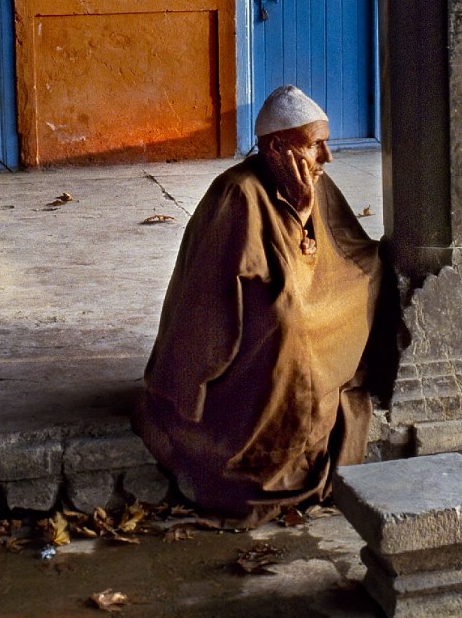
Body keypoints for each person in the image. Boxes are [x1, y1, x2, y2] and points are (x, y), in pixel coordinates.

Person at [135, 85, 382, 525]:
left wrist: (305, 215)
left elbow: (342, 251)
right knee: (287, 322)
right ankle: (272, 445)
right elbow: (217, 295)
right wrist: (298, 219)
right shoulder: (237, 194)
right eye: (314, 145)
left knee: (372, 278)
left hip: (307, 296)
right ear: (277, 148)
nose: (327, 158)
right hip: (248, 324)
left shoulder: (313, 184)